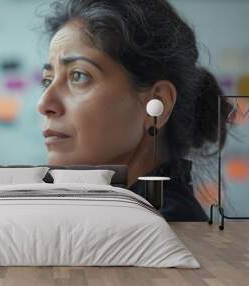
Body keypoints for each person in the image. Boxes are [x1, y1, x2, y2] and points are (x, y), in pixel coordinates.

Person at [36, 0, 233, 221]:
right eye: (47, 80)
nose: (44, 104)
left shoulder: (156, 231)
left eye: (78, 75)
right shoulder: (121, 216)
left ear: (157, 104)